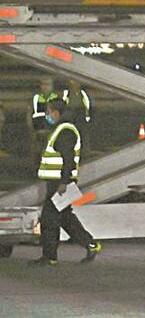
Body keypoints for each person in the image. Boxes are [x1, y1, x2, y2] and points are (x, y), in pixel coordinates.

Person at [30, 99, 101, 267]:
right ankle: (90, 244)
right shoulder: (61, 129)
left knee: (49, 219)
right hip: (58, 182)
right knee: (65, 218)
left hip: (59, 184)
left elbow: (68, 159)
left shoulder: (64, 131)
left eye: (48, 111)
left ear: (56, 112)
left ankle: (50, 257)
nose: (46, 115)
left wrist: (63, 182)